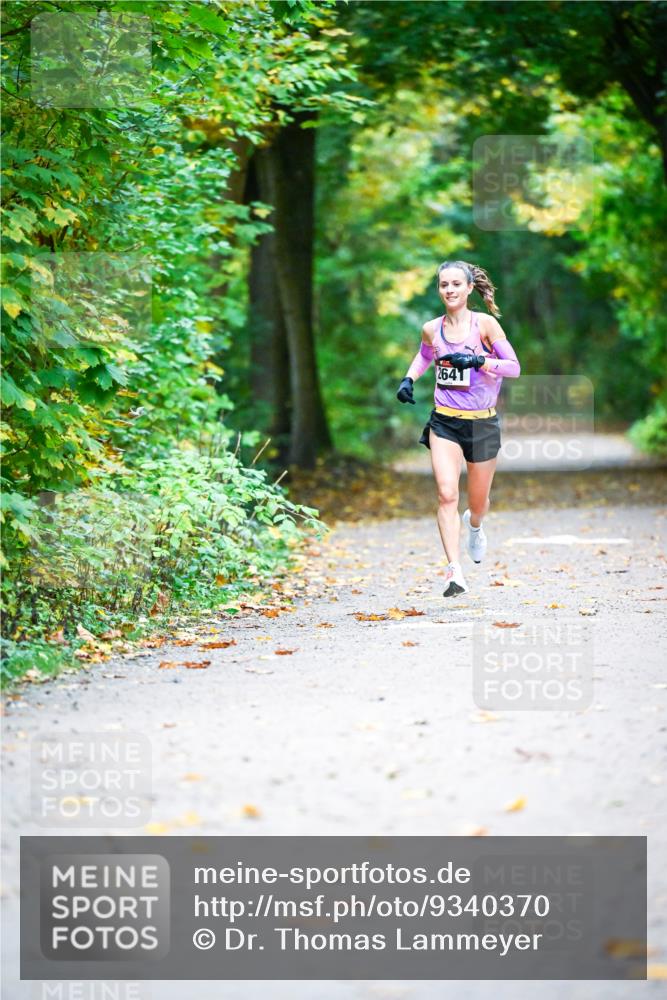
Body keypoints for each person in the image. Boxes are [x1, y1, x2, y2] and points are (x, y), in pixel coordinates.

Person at [396, 260, 521, 597]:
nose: (449, 290)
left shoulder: (485, 326)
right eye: (443, 285)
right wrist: (409, 379)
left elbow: (514, 367)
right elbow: (424, 356)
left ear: (468, 289)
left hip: (482, 424)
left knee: (477, 503)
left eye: (455, 284)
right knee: (447, 494)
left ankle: (475, 526)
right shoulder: (431, 328)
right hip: (445, 422)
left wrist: (479, 360)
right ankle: (455, 572)